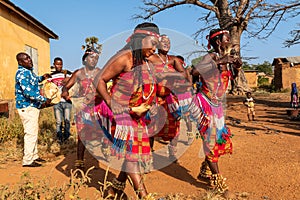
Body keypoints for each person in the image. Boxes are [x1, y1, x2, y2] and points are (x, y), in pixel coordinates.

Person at [96, 22, 160, 199]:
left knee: (133, 155)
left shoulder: (146, 63)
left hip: (138, 116)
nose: (155, 48)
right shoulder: (124, 58)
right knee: (132, 158)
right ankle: (145, 196)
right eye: (153, 43)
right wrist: (111, 102)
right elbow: (100, 80)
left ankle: (113, 190)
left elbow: (147, 88)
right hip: (122, 116)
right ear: (141, 40)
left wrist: (151, 103)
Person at [189, 29, 242, 197]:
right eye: (227, 39)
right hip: (203, 104)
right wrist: (219, 61)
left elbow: (230, 79)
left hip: (217, 106)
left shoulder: (228, 60)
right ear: (218, 42)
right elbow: (195, 72)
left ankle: (205, 170)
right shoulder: (211, 57)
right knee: (211, 140)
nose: (230, 41)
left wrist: (237, 67)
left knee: (219, 140)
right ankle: (219, 184)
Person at [61, 47, 110, 170]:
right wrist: (65, 91)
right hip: (84, 107)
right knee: (82, 134)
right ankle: (79, 159)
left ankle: (105, 145)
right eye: (91, 58)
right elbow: (66, 86)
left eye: (96, 58)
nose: (94, 60)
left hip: (99, 106)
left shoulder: (101, 72)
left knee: (104, 130)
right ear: (85, 59)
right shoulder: (78, 73)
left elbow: (105, 90)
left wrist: (95, 95)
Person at [148, 35, 191, 162]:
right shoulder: (151, 58)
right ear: (157, 44)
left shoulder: (174, 60)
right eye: (164, 41)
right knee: (152, 126)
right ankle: (149, 155)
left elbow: (184, 74)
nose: (167, 43)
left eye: (169, 41)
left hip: (171, 98)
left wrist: (167, 73)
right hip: (155, 98)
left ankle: (172, 153)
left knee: (175, 125)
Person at [15, 52, 52, 167]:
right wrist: (44, 99)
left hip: (32, 106)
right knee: (30, 133)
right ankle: (28, 160)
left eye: (29, 58)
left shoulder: (28, 72)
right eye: (26, 59)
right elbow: (28, 92)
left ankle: (34, 156)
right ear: (20, 62)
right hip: (26, 106)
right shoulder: (21, 73)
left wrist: (42, 77)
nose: (30, 60)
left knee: (33, 132)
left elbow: (35, 81)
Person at [48, 57, 72, 143]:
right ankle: (59, 138)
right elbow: (47, 87)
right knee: (58, 121)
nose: (59, 66)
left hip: (67, 102)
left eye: (61, 64)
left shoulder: (67, 74)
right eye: (57, 64)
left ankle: (67, 136)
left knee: (67, 120)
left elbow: (74, 81)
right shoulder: (51, 76)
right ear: (54, 65)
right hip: (56, 102)